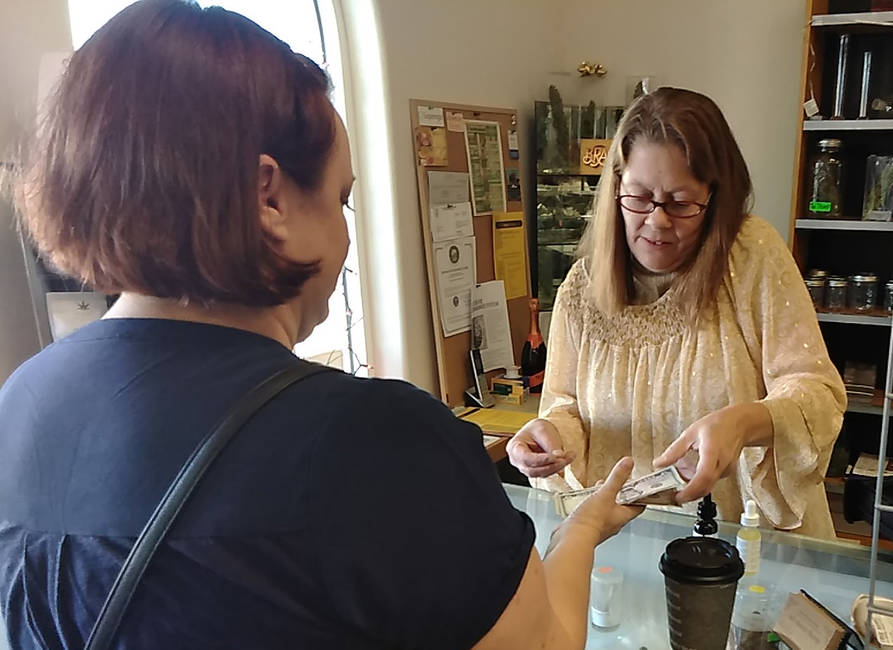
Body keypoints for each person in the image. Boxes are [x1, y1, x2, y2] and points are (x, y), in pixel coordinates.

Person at [0, 2, 641, 648]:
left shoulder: (21, 404)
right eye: (340, 199)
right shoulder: (378, 443)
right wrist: (581, 529)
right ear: (269, 197)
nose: (344, 235)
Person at [508, 88, 847, 538]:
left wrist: (742, 424)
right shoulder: (581, 289)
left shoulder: (751, 259)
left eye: (681, 203)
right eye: (639, 197)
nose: (657, 220)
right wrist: (546, 436)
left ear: (716, 199)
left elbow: (819, 395)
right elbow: (566, 408)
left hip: (740, 542)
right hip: (625, 544)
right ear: (616, 188)